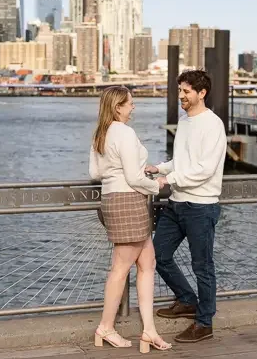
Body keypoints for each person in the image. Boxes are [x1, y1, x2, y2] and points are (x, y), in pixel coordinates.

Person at [89, 86, 172, 353]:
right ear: (118, 107)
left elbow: (94, 173)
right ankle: (105, 327)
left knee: (147, 262)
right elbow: (135, 177)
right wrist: (156, 185)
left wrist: (116, 174)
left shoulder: (101, 133)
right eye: (130, 104)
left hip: (114, 199)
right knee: (121, 267)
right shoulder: (124, 132)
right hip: (129, 200)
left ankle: (148, 331)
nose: (133, 107)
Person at [146, 69, 226, 344]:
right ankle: (187, 300)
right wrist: (159, 168)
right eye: (179, 90)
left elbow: (205, 169)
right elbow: (181, 160)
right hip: (177, 204)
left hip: (201, 206)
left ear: (201, 93)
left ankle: (205, 323)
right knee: (156, 256)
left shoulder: (213, 125)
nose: (180, 96)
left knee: (202, 266)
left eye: (186, 91)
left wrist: (170, 179)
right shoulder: (184, 121)